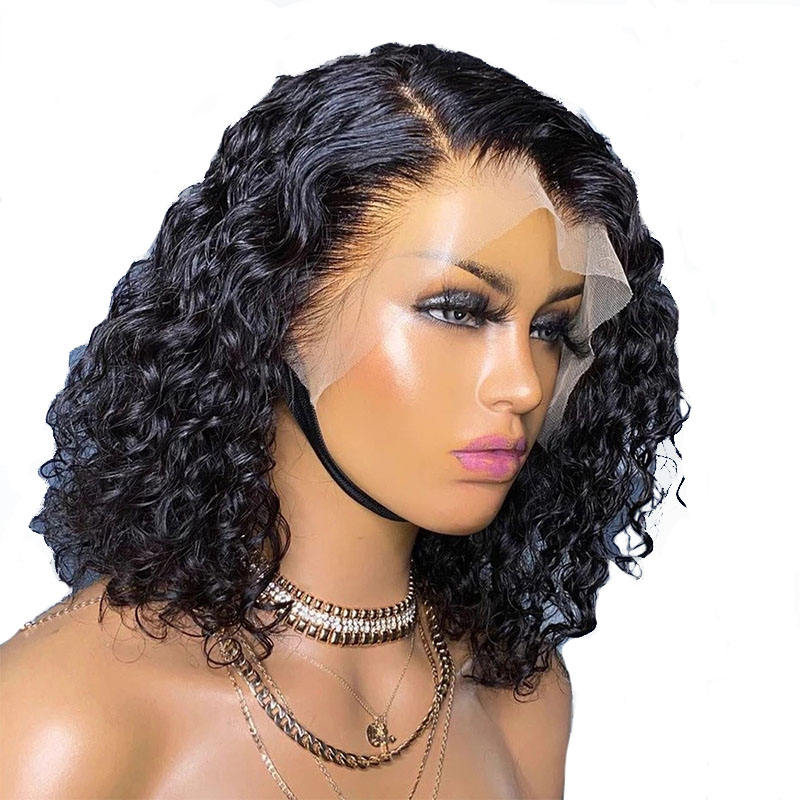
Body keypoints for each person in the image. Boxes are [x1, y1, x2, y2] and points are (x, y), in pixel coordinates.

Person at [0, 42, 688, 799]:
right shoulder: (67, 717)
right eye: (458, 311)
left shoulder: (517, 697)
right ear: (280, 309)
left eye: (550, 328)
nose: (524, 384)